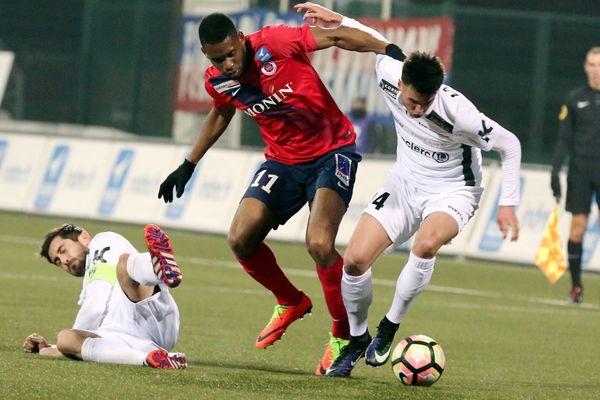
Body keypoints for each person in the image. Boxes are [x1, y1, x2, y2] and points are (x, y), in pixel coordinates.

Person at [157, 11, 405, 375]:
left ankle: (344, 336)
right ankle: (290, 300)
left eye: (229, 54)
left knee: (320, 244)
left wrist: (387, 48)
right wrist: (189, 163)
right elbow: (221, 113)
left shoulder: (274, 42)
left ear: (240, 39)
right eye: (215, 59)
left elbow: (335, 36)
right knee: (240, 238)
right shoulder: (217, 81)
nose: (226, 64)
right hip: (282, 162)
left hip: (332, 151)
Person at [295, 2, 521, 377]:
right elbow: (379, 43)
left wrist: (508, 203)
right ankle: (358, 339)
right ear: (400, 83)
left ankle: (388, 328)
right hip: (405, 183)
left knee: (425, 244)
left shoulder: (459, 113)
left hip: (453, 190)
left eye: (425, 102)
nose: (416, 109)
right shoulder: (390, 71)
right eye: (412, 100)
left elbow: (509, 144)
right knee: (353, 262)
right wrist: (340, 20)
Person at [23, 223, 187, 369]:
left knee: (124, 266)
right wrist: (48, 349)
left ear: (84, 237)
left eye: (63, 250)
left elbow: (96, 306)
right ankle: (152, 359)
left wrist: (71, 341)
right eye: (57, 261)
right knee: (65, 338)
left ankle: (158, 270)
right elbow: (83, 341)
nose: (64, 260)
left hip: (151, 316)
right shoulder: (88, 281)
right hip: (125, 340)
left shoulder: (103, 241)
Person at [550, 47, 600, 304]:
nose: (596, 69)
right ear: (585, 66)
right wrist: (555, 171)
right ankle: (577, 287)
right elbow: (564, 140)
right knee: (578, 228)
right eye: (592, 64)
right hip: (580, 169)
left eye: (599, 64)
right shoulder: (574, 98)